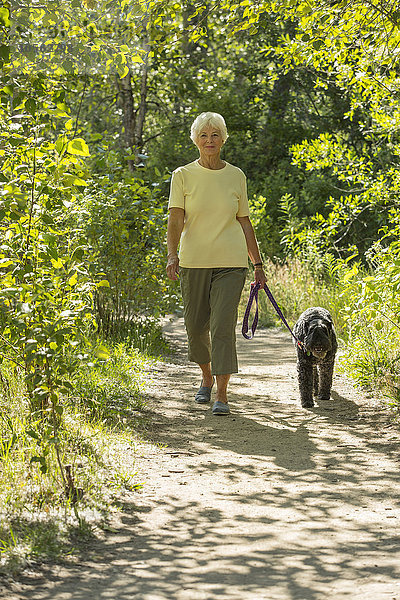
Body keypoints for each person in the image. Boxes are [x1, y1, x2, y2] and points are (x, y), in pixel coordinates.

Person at [166, 112, 266, 415]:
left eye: (215, 135)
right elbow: (175, 218)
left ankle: (222, 395)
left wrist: (257, 264)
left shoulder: (236, 176)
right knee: (196, 328)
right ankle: (206, 378)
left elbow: (244, 221)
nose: (210, 140)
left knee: (222, 327)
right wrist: (173, 254)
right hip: (194, 261)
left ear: (223, 139)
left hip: (231, 263)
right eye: (204, 135)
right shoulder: (182, 175)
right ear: (196, 140)